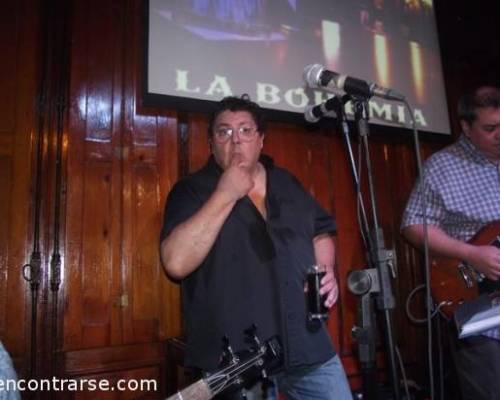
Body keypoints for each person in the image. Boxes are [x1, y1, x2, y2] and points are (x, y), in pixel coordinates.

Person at [160, 95, 352, 399]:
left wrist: (326, 267)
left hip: (307, 342)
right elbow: (175, 262)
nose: (236, 140)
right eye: (224, 132)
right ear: (211, 143)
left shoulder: (287, 182)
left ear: (261, 140)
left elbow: (321, 232)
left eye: (245, 130)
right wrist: (224, 193)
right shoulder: (191, 190)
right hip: (239, 358)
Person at [401, 85, 500, 400]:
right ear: (466, 128)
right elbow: (413, 225)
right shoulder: (443, 166)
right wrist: (471, 253)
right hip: (477, 304)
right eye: (490, 128)